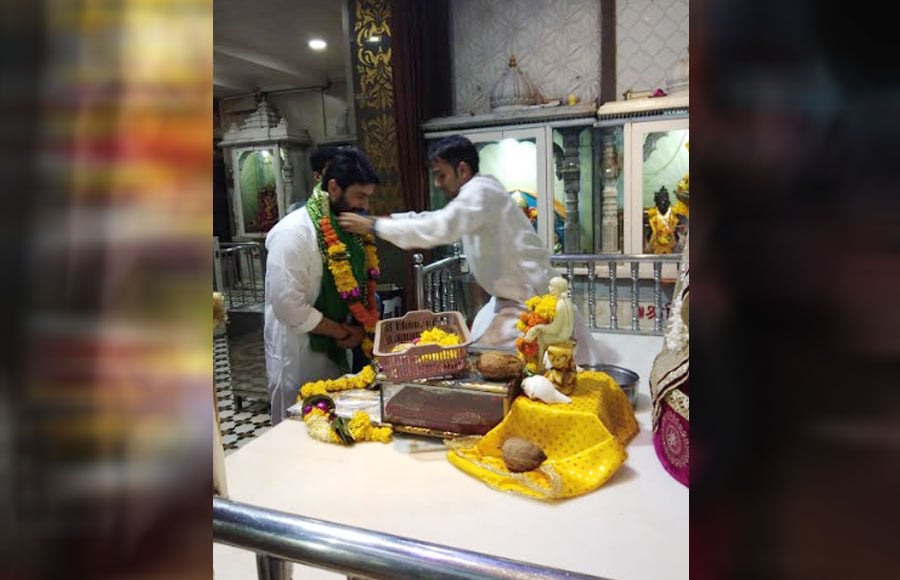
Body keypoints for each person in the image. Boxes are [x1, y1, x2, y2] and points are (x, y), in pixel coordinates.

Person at [338, 135, 603, 366]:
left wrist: (373, 226)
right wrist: (383, 221)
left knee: (504, 366)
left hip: (529, 302)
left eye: (441, 175)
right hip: (505, 301)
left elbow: (439, 227)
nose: (438, 184)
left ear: (462, 170)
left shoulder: (480, 192)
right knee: (477, 346)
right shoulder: (477, 193)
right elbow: (431, 218)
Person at [264, 147, 381, 424]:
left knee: (335, 431)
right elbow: (288, 307)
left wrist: (356, 329)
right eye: (359, 196)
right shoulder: (293, 233)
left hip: (337, 350)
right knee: (298, 435)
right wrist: (342, 331)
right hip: (300, 354)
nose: (363, 206)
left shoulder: (347, 231)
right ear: (333, 187)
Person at [287, 145, 340, 214]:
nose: (340, 175)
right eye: (333, 171)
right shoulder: (300, 212)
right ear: (317, 176)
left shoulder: (355, 206)